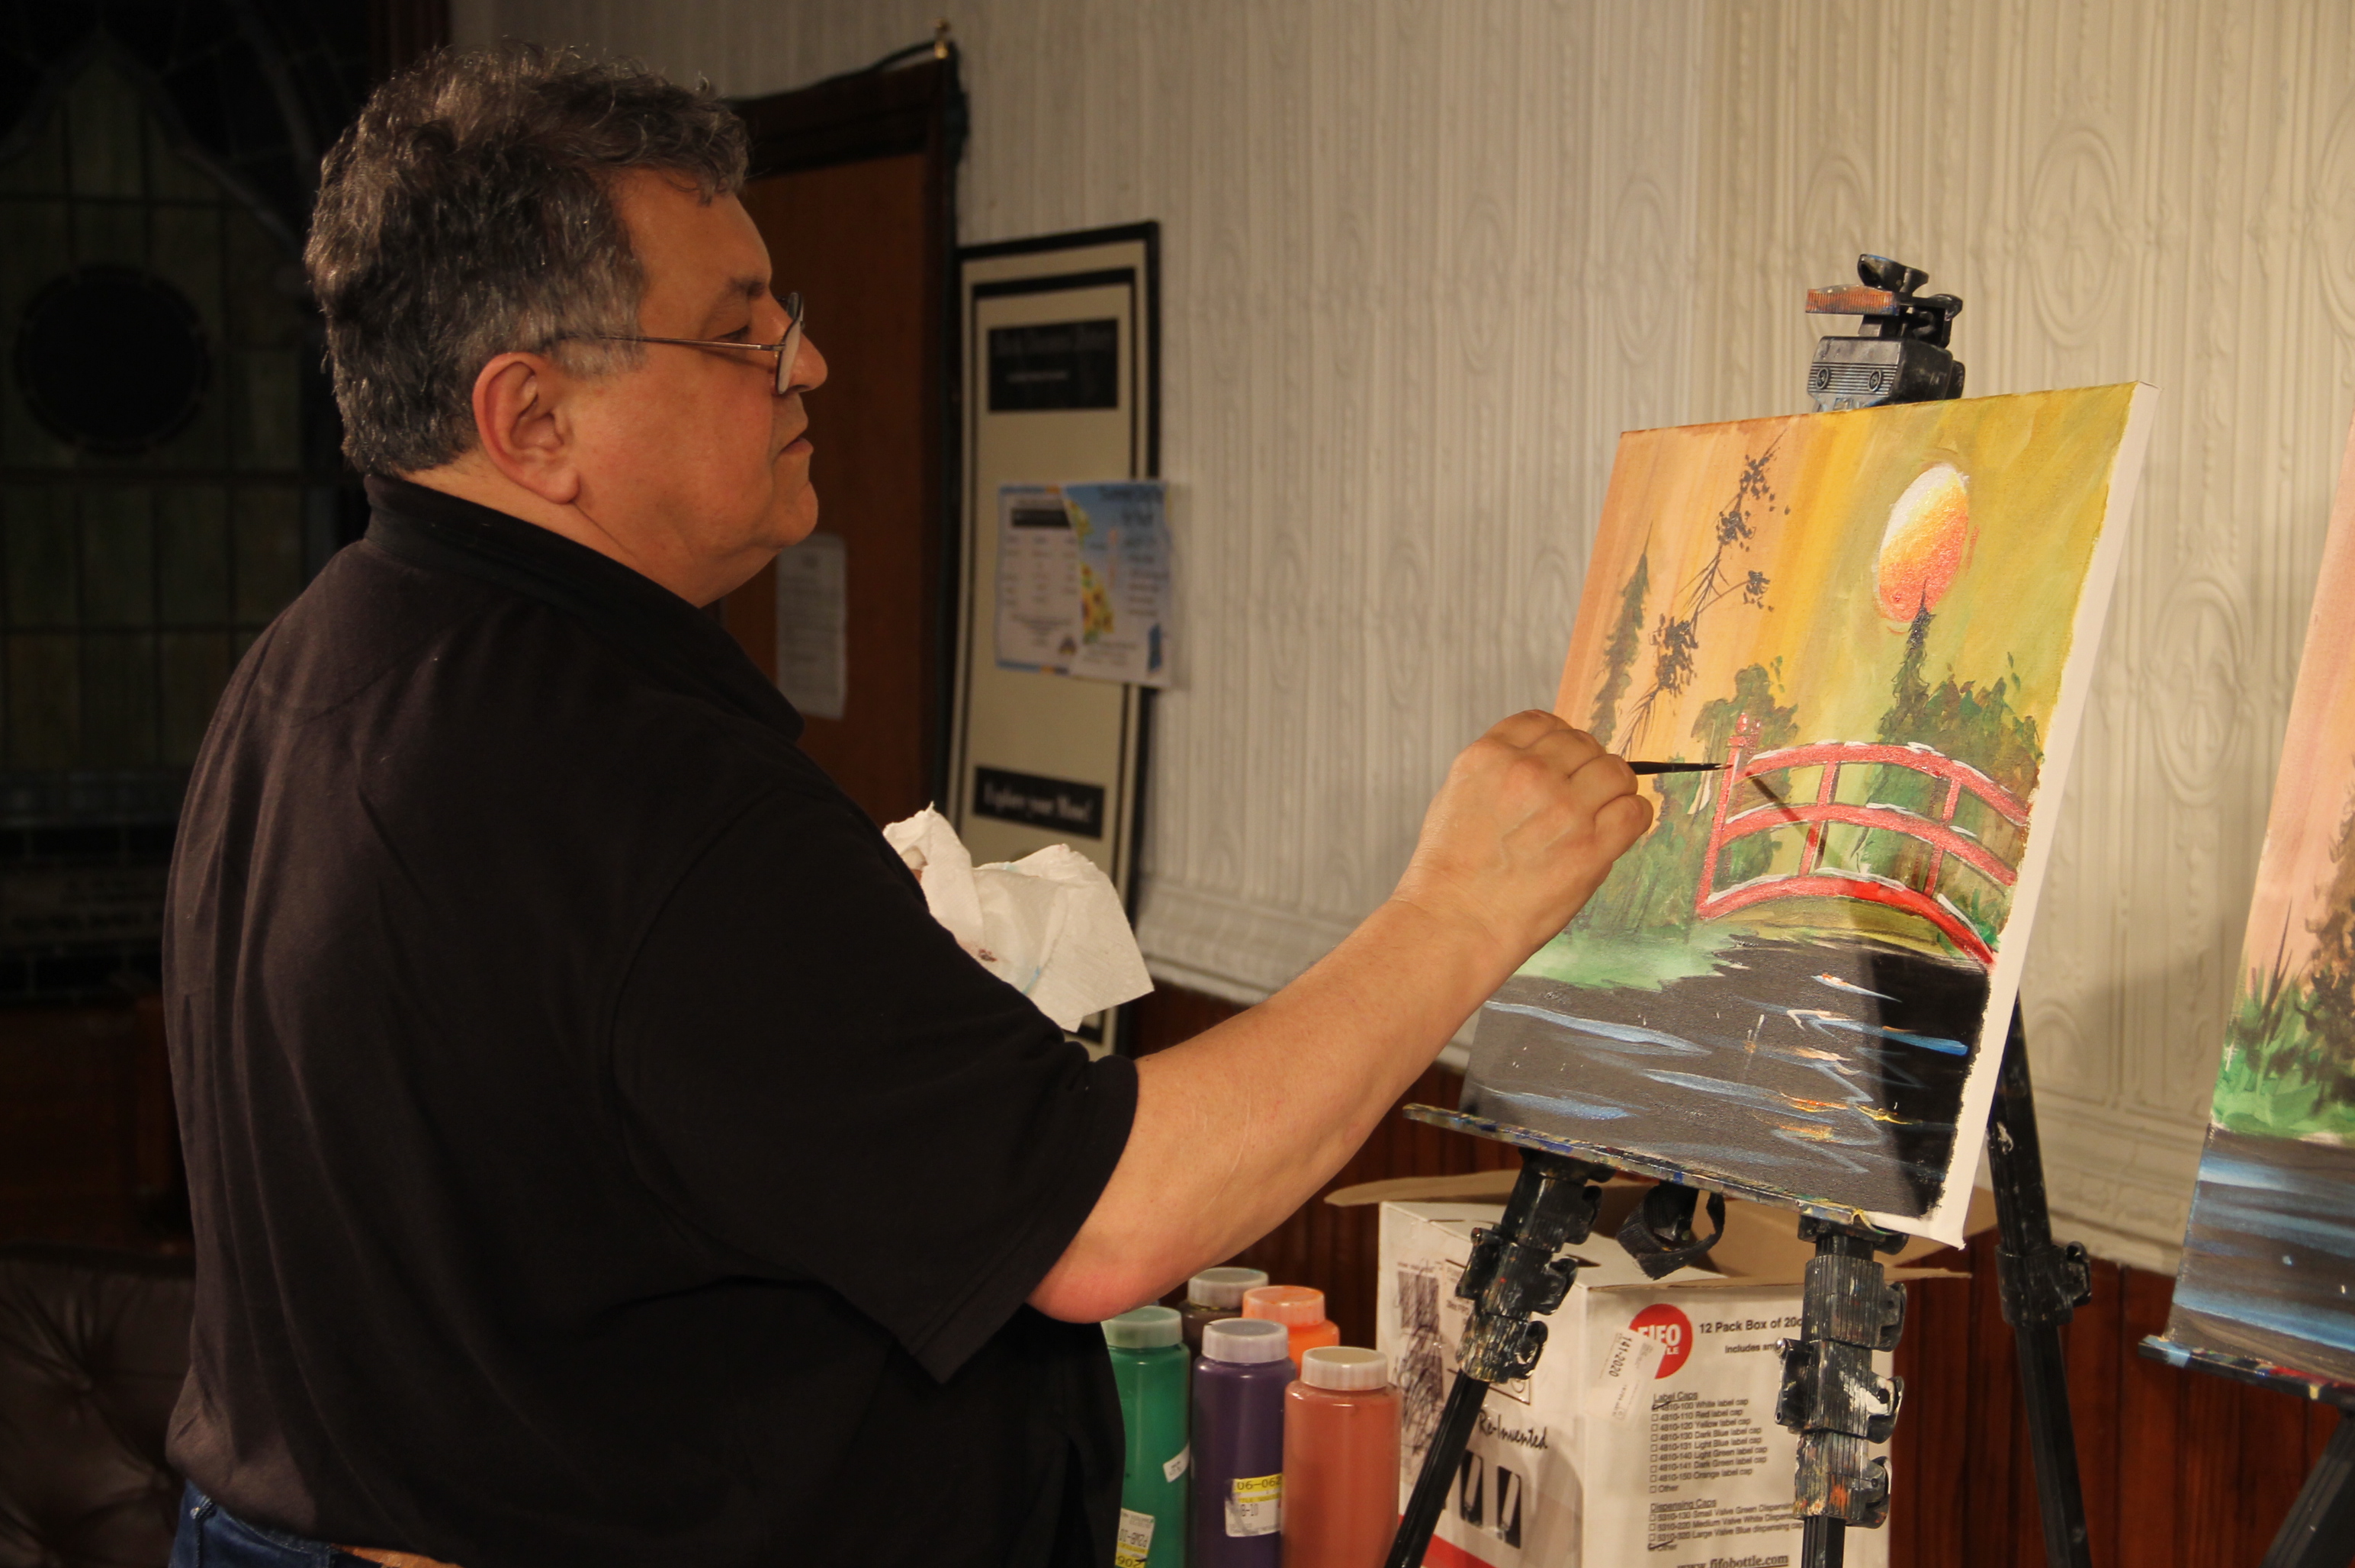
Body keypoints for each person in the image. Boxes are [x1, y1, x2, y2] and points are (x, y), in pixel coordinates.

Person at [162, 44, 1650, 1568]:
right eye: (737, 332)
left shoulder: (316, 661)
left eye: (783, 314)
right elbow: (1106, 1223)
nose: (804, 363)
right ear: (532, 418)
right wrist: (1458, 908)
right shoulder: (630, 777)